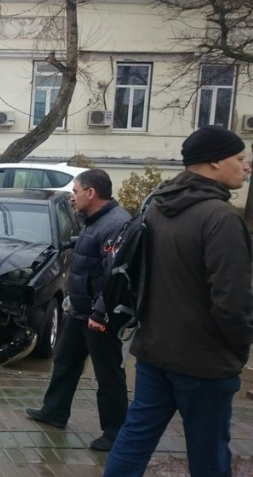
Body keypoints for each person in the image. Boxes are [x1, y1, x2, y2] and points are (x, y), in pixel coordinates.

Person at [104, 126, 253, 477]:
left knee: (135, 437)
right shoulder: (221, 218)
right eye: (240, 158)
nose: (246, 167)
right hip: (204, 363)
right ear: (215, 162)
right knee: (209, 453)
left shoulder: (157, 206)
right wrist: (238, 350)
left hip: (154, 351)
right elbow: (232, 302)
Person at [25, 169, 130, 452]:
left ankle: (115, 433)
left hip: (99, 317)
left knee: (108, 375)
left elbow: (114, 277)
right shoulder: (95, 221)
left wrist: (101, 313)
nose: (73, 198)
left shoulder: (116, 225)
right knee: (66, 362)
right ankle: (54, 411)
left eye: (75, 191)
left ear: (91, 193)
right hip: (81, 312)